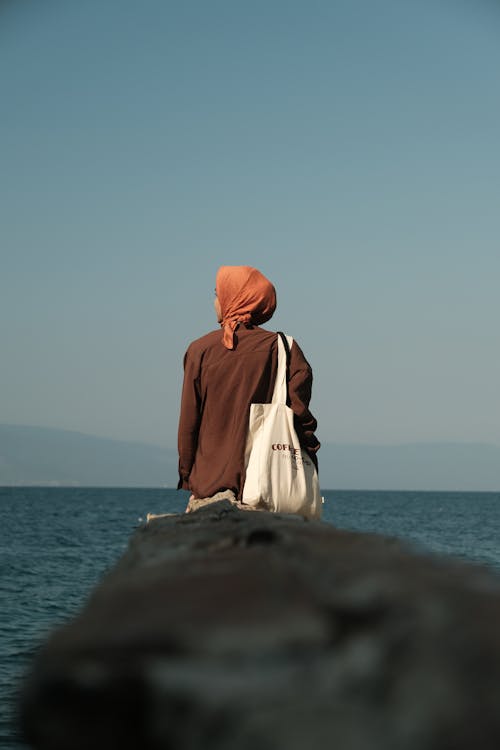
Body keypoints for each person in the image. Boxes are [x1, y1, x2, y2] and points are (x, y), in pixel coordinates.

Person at [177, 265, 320, 508]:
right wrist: (309, 457)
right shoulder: (285, 349)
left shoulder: (200, 350)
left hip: (209, 486)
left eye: (217, 294)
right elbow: (301, 418)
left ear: (234, 297)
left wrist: (188, 477)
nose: (215, 302)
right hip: (269, 487)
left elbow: (189, 423)